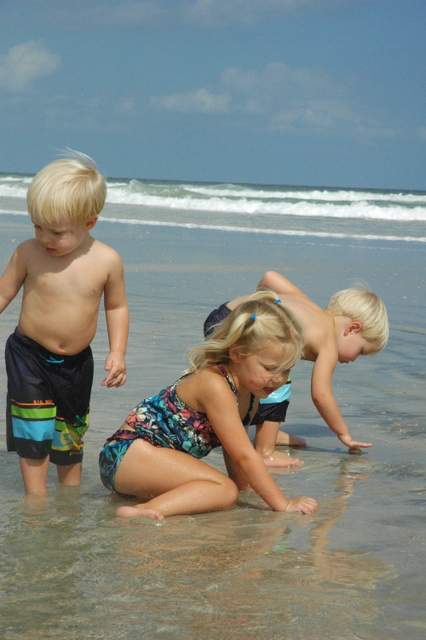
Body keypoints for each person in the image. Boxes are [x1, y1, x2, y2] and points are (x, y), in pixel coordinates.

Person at [99, 291, 318, 521]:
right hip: (126, 456)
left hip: (147, 462)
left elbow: (234, 452)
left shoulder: (250, 395)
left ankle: (141, 500)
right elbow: (245, 456)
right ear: (237, 353)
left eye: (286, 370)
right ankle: (143, 511)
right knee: (224, 491)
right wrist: (282, 504)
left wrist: (246, 491)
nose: (279, 379)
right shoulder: (215, 384)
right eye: (270, 368)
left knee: (229, 491)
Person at [0, 151, 129, 495]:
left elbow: (116, 307)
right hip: (28, 355)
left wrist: (118, 351)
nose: (44, 238)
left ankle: (69, 496)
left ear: (89, 222)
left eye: (55, 232)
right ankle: (36, 498)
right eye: (37, 226)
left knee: (69, 430)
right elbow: (3, 294)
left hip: (76, 364)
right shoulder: (28, 252)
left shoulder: (106, 260)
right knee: (33, 426)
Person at [204, 271, 389, 466]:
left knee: (257, 380)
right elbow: (321, 396)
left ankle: (265, 434)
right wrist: (343, 432)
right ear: (352, 328)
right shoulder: (328, 345)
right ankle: (265, 451)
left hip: (224, 316)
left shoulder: (305, 301)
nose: (354, 359)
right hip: (238, 328)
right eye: (360, 351)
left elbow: (269, 276)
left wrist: (261, 307)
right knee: (277, 384)